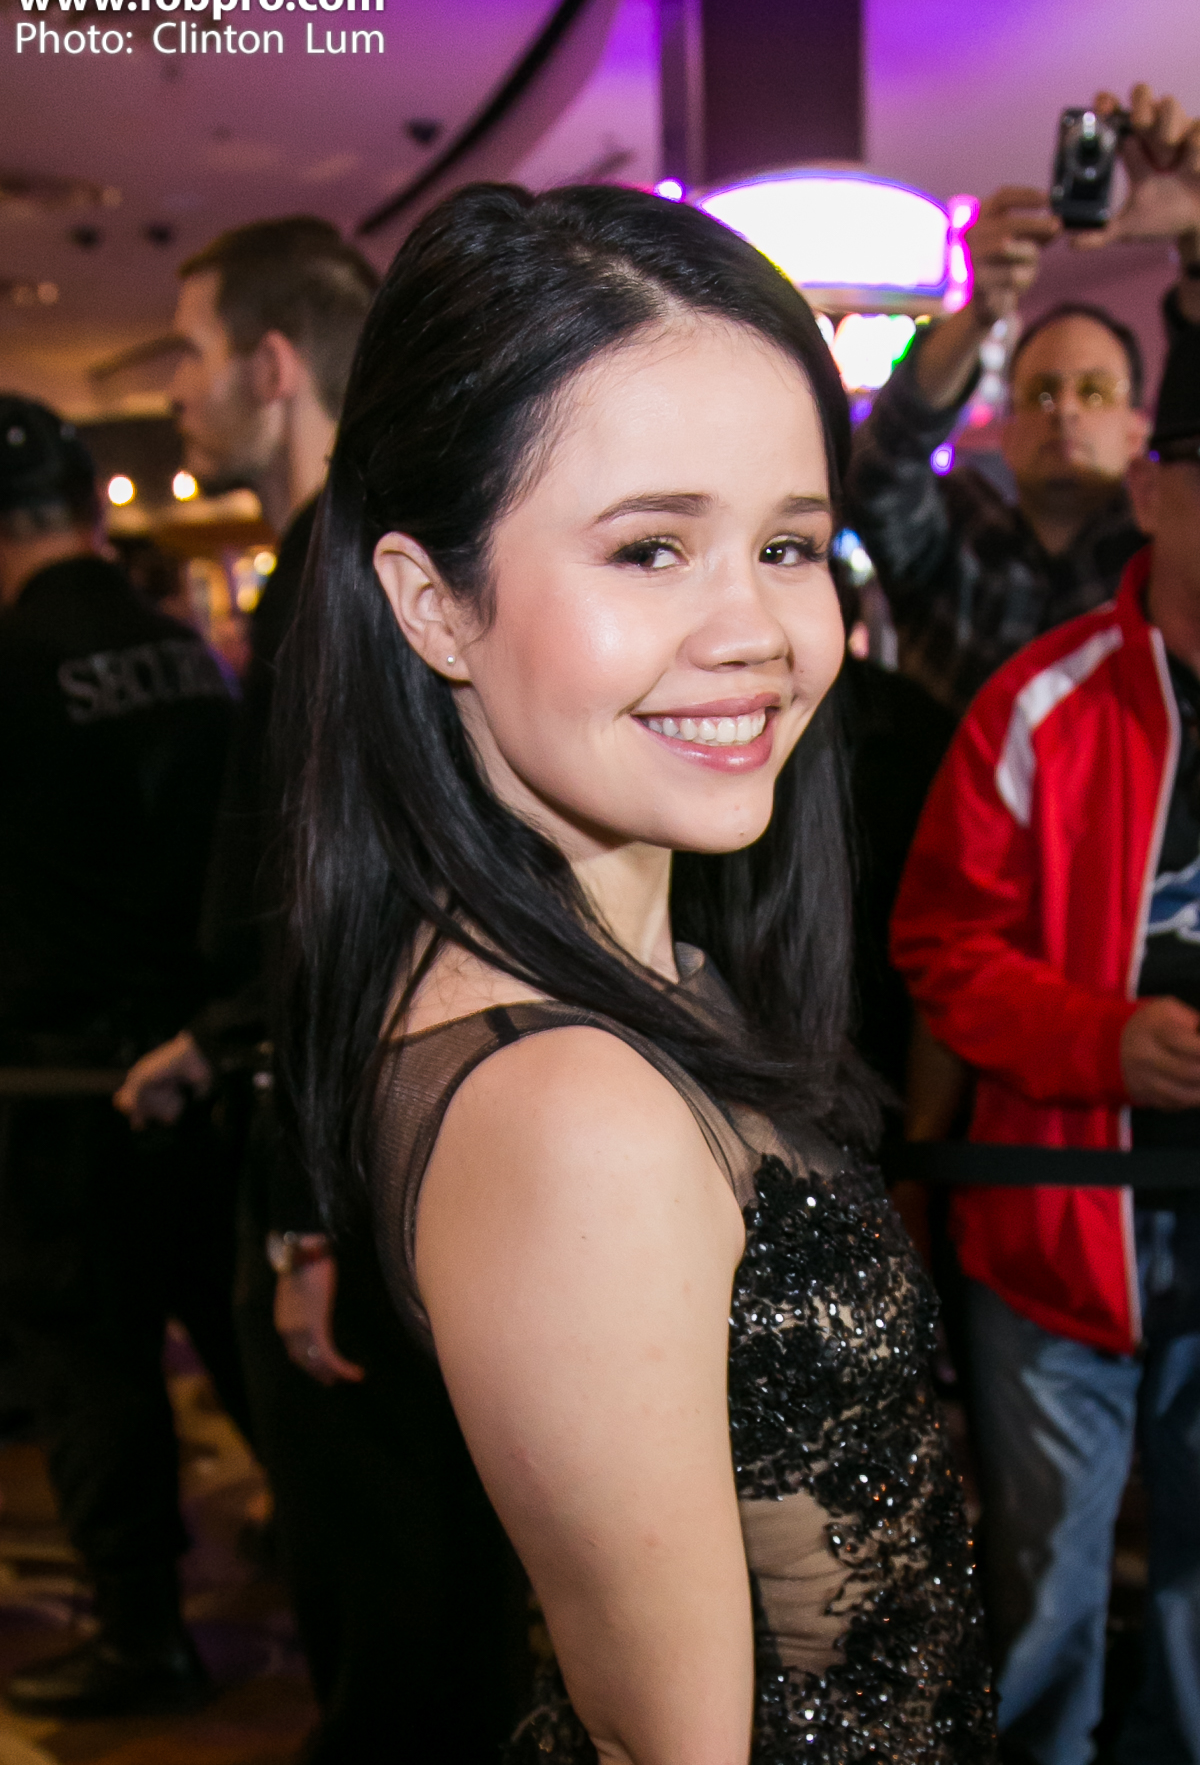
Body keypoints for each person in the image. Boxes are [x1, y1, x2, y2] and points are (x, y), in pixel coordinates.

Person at [276, 180, 996, 1764]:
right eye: (652, 548)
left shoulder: (648, 971)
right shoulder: (571, 1110)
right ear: (432, 604)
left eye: (791, 544)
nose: (758, 630)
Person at [116, 217, 525, 1763]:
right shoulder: (376, 552)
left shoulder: (344, 565)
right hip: (391, 1129)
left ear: (274, 366)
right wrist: (214, 1037)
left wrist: (302, 1218)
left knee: (399, 1608)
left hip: (358, 1154)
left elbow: (338, 907)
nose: (178, 391)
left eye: (195, 353)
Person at [891, 298, 1200, 1762]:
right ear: (1156, 490)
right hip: (1055, 1234)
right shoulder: (1040, 700)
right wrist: (1102, 1041)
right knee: (1043, 1612)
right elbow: (941, 945)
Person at [0, 396, 243, 1716]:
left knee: (91, 1365)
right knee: (237, 1335)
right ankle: (339, 1570)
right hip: (203, 1058)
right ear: (91, 504)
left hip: (65, 1081)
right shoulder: (179, 646)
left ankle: (143, 1632)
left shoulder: (10, 664)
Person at [844, 83, 1200, 719]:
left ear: (1136, 431)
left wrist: (1197, 252)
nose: (1065, 410)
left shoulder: (1170, 551)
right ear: (1007, 433)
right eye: (1040, 393)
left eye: (1094, 391)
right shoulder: (956, 539)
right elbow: (877, 473)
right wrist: (977, 311)